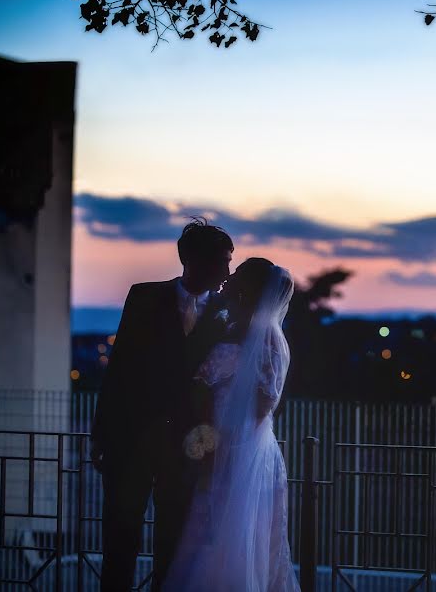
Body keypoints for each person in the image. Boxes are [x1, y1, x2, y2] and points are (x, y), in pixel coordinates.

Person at [90, 217, 234, 591]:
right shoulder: (144, 296)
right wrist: (102, 436)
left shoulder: (227, 313)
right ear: (193, 260)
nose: (228, 272)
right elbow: (119, 368)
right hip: (130, 442)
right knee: (120, 539)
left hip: (186, 449)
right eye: (222, 261)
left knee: (174, 543)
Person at [161, 258, 301, 592]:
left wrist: (222, 437)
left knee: (238, 535)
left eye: (238, 273)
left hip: (244, 453)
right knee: (213, 535)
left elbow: (265, 399)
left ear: (251, 287)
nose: (230, 277)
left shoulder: (266, 336)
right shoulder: (233, 326)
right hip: (226, 446)